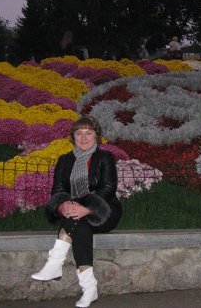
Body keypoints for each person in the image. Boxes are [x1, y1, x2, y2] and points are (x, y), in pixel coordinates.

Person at [31, 115, 122, 308]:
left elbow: (108, 188)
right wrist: (62, 206)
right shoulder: (64, 160)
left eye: (88, 133)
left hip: (103, 210)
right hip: (75, 213)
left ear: (96, 135)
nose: (83, 137)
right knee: (79, 226)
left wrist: (87, 208)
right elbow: (57, 190)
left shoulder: (104, 157)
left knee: (78, 218)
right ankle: (89, 289)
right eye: (79, 133)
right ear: (73, 136)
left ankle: (55, 263)